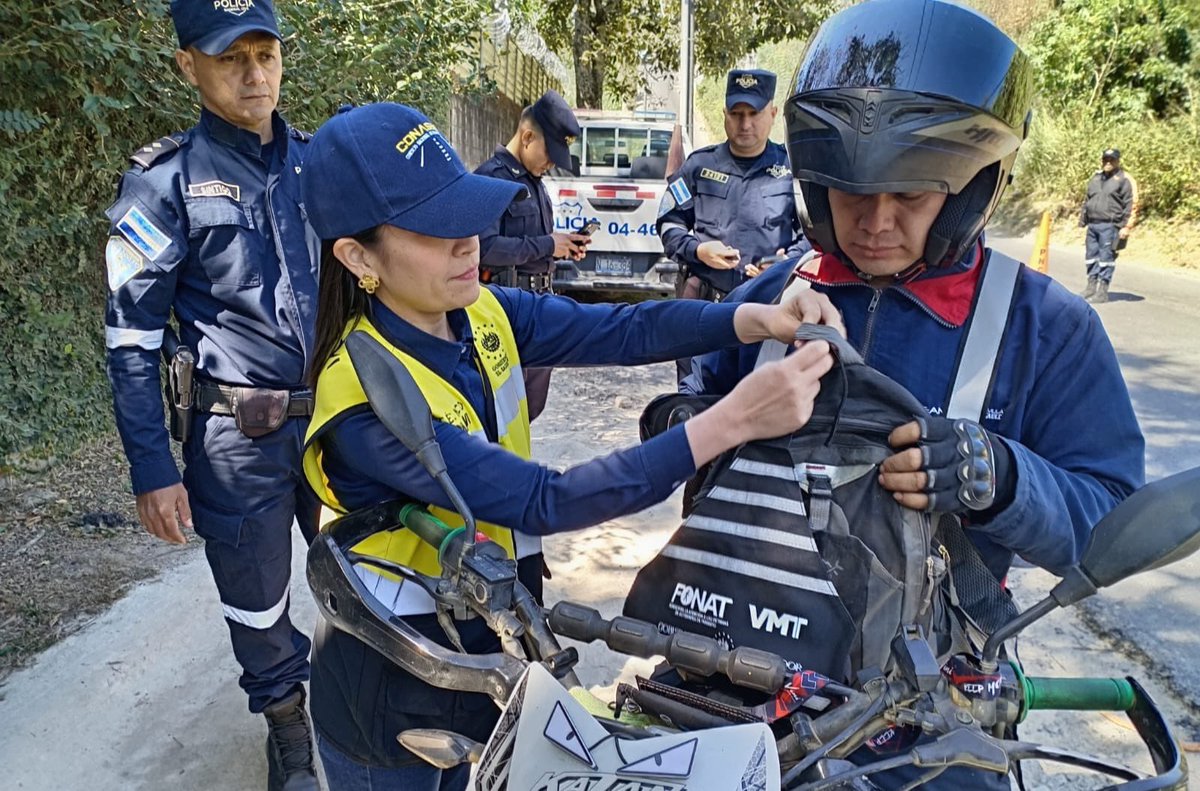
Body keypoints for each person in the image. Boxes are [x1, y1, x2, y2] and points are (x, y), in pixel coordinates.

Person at [295, 102, 842, 790]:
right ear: (356, 255)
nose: (468, 238)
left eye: (466, 211)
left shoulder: (475, 311)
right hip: (392, 679)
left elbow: (619, 330)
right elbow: (546, 499)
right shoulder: (364, 398)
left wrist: (750, 316)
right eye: (435, 228)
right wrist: (733, 420)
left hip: (488, 642)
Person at [680, 0, 1144, 786]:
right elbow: (684, 435)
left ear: (971, 190)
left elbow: (1110, 523)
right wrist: (707, 431)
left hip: (929, 725)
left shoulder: (1046, 329)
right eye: (852, 196)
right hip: (740, 692)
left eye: (912, 197)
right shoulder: (768, 298)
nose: (875, 223)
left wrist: (1001, 476)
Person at [103, 2, 319, 788]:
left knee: (373, 565)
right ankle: (286, 722)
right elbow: (130, 337)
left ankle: (369, 697)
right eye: (233, 58)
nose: (256, 74)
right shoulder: (163, 182)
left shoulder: (320, 161)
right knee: (257, 598)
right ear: (188, 66)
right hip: (237, 440)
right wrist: (152, 468)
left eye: (267, 54)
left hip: (335, 420)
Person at [474, 90, 590, 421]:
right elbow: (484, 247)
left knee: (530, 408)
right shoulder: (490, 180)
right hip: (505, 309)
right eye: (549, 153)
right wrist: (548, 245)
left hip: (539, 306)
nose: (551, 163)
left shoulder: (535, 182)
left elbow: (537, 243)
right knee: (500, 411)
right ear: (526, 137)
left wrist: (565, 247)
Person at [656, 68, 809, 303]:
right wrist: (697, 251)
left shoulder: (793, 170)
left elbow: (813, 235)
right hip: (707, 306)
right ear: (725, 114)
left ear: (773, 113)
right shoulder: (698, 167)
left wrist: (786, 263)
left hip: (772, 305)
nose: (745, 124)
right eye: (736, 113)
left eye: (754, 113)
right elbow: (669, 223)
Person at [1080, 147, 1139, 303]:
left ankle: (1102, 292)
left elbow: (1131, 204)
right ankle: (1090, 287)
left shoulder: (1124, 180)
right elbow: (1087, 199)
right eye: (1105, 159)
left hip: (1110, 226)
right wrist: (1083, 219)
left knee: (1106, 258)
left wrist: (1126, 227)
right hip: (1093, 225)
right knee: (1091, 256)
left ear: (1117, 161)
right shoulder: (1096, 178)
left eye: (1111, 160)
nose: (1108, 162)